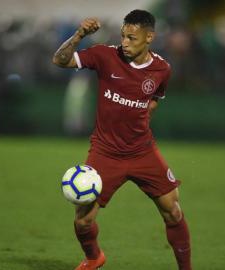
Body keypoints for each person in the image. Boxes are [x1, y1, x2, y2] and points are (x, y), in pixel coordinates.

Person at [53, 10, 191, 270]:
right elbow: (60, 60)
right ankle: (94, 257)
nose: (125, 43)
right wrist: (79, 35)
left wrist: (139, 119)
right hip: (105, 153)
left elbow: (154, 100)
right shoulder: (105, 55)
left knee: (173, 212)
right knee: (82, 221)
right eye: (123, 36)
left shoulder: (162, 69)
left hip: (143, 152)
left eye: (132, 38)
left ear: (149, 37)